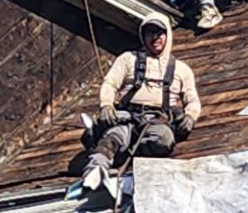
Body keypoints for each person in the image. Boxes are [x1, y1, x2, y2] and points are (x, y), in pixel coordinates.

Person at [84, 13, 203, 182]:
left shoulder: (181, 70)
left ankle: (128, 157)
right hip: (126, 117)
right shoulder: (127, 59)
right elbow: (110, 84)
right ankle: (95, 171)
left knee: (164, 140)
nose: (155, 37)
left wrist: (191, 116)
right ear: (143, 36)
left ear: (168, 35)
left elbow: (192, 99)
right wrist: (106, 105)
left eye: (159, 32)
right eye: (150, 33)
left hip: (157, 121)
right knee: (111, 138)